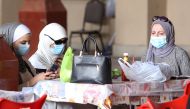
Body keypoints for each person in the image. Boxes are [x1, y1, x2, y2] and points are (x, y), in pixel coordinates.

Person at [0, 22, 57, 89]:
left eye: (29, 42)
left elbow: (34, 76)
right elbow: (8, 91)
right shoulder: (4, 64)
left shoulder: (23, 60)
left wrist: (47, 75)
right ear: (9, 41)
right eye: (23, 43)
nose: (27, 46)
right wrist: (32, 82)